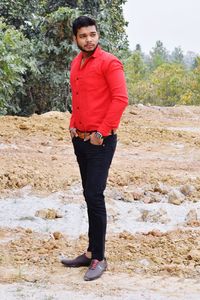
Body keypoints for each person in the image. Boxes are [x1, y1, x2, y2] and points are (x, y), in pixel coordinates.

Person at [61, 15, 128, 281]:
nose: (89, 40)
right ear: (75, 38)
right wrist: (73, 125)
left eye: (92, 34)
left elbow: (120, 99)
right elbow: (78, 100)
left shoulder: (110, 63)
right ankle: (90, 252)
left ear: (97, 35)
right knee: (89, 195)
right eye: (83, 36)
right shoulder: (76, 63)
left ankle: (99, 258)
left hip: (101, 140)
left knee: (94, 194)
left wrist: (101, 131)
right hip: (81, 139)